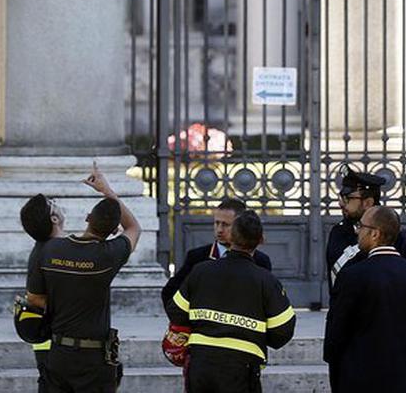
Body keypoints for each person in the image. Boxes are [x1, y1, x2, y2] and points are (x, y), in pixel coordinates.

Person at [23, 162, 142, 393]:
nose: (57, 204)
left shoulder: (43, 252)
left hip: (59, 353)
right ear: (55, 219)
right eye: (52, 205)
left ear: (88, 218)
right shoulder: (105, 255)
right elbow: (134, 228)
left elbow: (35, 300)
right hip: (95, 359)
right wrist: (106, 191)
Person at [165, 210, 296, 392]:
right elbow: (282, 330)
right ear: (261, 240)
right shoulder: (267, 281)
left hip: (201, 364)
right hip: (242, 368)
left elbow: (176, 311)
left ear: (231, 237)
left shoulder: (200, 271)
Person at [324, 205, 406, 393]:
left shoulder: (351, 276)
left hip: (358, 379)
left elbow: (336, 333)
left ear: (375, 234)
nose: (358, 232)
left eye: (361, 227)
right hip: (402, 378)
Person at [326, 169, 406, 288]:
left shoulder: (398, 239)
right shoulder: (339, 233)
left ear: (368, 203)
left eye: (347, 198)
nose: (341, 204)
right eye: (341, 197)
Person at [17, 195, 56, 393]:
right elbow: (34, 298)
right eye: (52, 204)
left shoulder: (51, 248)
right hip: (49, 341)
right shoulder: (42, 252)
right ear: (54, 218)